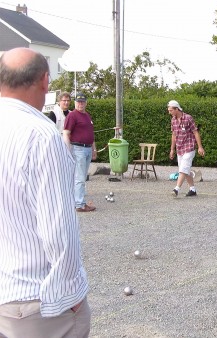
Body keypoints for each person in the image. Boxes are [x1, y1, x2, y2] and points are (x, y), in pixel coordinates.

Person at [0, 47, 91, 337]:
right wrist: (72, 296)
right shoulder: (41, 136)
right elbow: (58, 229)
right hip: (34, 300)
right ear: (44, 81)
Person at [62, 92, 97, 212]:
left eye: (82, 102)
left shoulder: (87, 116)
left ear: (86, 103)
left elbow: (91, 134)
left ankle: (78, 201)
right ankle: (80, 204)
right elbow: (66, 133)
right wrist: (68, 150)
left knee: (81, 177)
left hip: (87, 148)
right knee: (80, 178)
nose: (80, 104)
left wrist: (94, 149)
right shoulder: (72, 116)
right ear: (75, 103)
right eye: (78, 102)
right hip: (78, 149)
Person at [168, 100, 205, 197]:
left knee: (183, 169)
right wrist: (172, 149)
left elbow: (195, 132)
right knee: (185, 170)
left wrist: (200, 147)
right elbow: (174, 135)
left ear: (177, 109)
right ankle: (192, 189)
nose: (169, 112)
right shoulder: (173, 120)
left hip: (189, 147)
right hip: (179, 148)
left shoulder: (188, 118)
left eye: (171, 110)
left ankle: (176, 189)